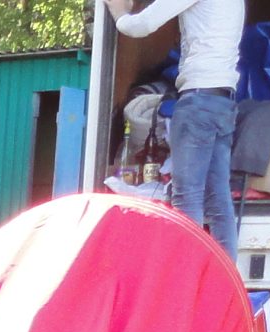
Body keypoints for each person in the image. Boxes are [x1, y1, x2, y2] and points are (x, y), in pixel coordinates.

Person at [104, 0, 245, 253]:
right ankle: (227, 274)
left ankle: (187, 273)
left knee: (187, 197)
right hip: (223, 101)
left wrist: (119, 13)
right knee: (218, 200)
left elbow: (144, 24)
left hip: (197, 99)